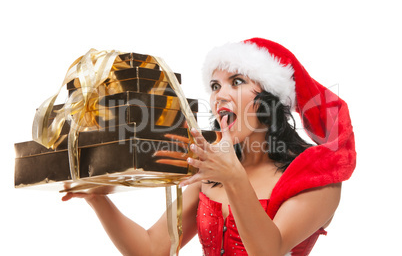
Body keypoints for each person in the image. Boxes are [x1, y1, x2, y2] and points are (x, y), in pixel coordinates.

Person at [62, 38, 356, 256]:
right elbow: (152, 249)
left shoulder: (317, 176)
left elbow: (269, 250)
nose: (219, 96)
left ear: (271, 98)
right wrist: (97, 199)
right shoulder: (212, 171)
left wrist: (233, 177)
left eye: (236, 81)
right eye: (215, 86)